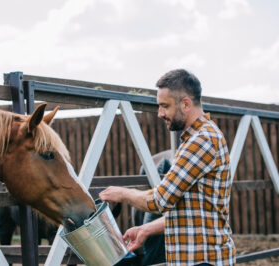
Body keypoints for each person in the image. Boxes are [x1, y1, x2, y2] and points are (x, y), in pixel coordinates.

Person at [99, 69, 236, 266]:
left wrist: (122, 193)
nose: (160, 113)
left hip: (203, 261)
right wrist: (147, 229)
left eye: (165, 106)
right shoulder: (197, 139)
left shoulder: (202, 140)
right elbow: (190, 211)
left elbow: (159, 200)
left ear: (186, 104)